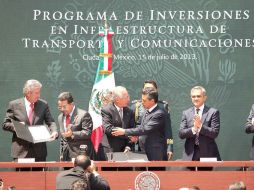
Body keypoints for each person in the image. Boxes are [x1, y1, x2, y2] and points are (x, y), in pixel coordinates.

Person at [2, 79, 58, 162]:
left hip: (39, 152)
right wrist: (18, 127)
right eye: (37, 93)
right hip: (21, 151)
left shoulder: (43, 104)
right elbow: (5, 124)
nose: (39, 95)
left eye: (39, 92)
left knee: (39, 175)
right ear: (28, 93)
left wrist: (54, 131)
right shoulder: (14, 105)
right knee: (22, 175)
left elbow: (50, 121)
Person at [112, 87, 167, 161]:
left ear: (152, 101)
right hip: (144, 151)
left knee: (154, 172)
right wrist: (136, 136)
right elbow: (142, 128)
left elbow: (145, 129)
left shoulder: (159, 114)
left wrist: (124, 131)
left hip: (155, 154)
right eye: (142, 100)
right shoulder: (147, 111)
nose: (142, 103)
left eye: (144, 101)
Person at [179, 86, 221, 170]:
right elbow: (181, 134)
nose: (196, 98)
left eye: (198, 96)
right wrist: (194, 129)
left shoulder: (213, 112)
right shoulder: (186, 113)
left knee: (207, 181)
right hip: (190, 154)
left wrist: (200, 127)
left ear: (204, 97)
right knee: (190, 181)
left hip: (207, 153)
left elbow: (214, 133)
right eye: (193, 96)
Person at [131, 80, 173, 160]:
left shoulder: (163, 107)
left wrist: (170, 147)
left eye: (151, 89)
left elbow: (168, 131)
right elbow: (132, 127)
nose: (149, 90)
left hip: (157, 150)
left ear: (156, 91)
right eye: (146, 88)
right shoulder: (136, 107)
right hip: (139, 148)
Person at [58, 92, 95, 161]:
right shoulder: (60, 117)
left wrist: (72, 134)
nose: (62, 109)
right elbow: (63, 139)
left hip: (81, 155)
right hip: (66, 156)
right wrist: (61, 154)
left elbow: (87, 133)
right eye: (60, 107)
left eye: (64, 106)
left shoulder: (83, 114)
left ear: (72, 104)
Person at [101, 86, 135, 155]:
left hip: (126, 150)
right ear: (117, 100)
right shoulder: (107, 110)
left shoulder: (129, 111)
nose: (128, 99)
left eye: (128, 96)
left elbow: (132, 129)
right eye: (126, 97)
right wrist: (124, 133)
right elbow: (108, 129)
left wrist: (128, 146)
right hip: (111, 149)